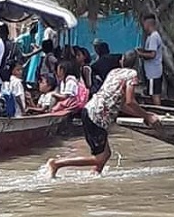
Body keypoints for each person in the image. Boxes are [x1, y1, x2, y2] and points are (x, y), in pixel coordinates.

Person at [46, 50, 161, 178]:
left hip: (90, 110)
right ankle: (56, 164)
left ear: (121, 61)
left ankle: (94, 176)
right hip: (97, 116)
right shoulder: (132, 74)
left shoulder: (114, 72)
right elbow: (130, 101)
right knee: (100, 158)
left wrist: (143, 115)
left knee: (105, 154)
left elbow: (121, 105)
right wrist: (148, 116)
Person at [136, 14, 164, 105]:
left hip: (153, 72)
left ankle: (157, 113)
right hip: (150, 72)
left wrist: (139, 54)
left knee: (154, 95)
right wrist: (142, 51)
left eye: (144, 24)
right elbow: (149, 51)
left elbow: (152, 54)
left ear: (148, 24)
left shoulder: (154, 37)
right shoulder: (150, 37)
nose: (143, 27)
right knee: (152, 93)